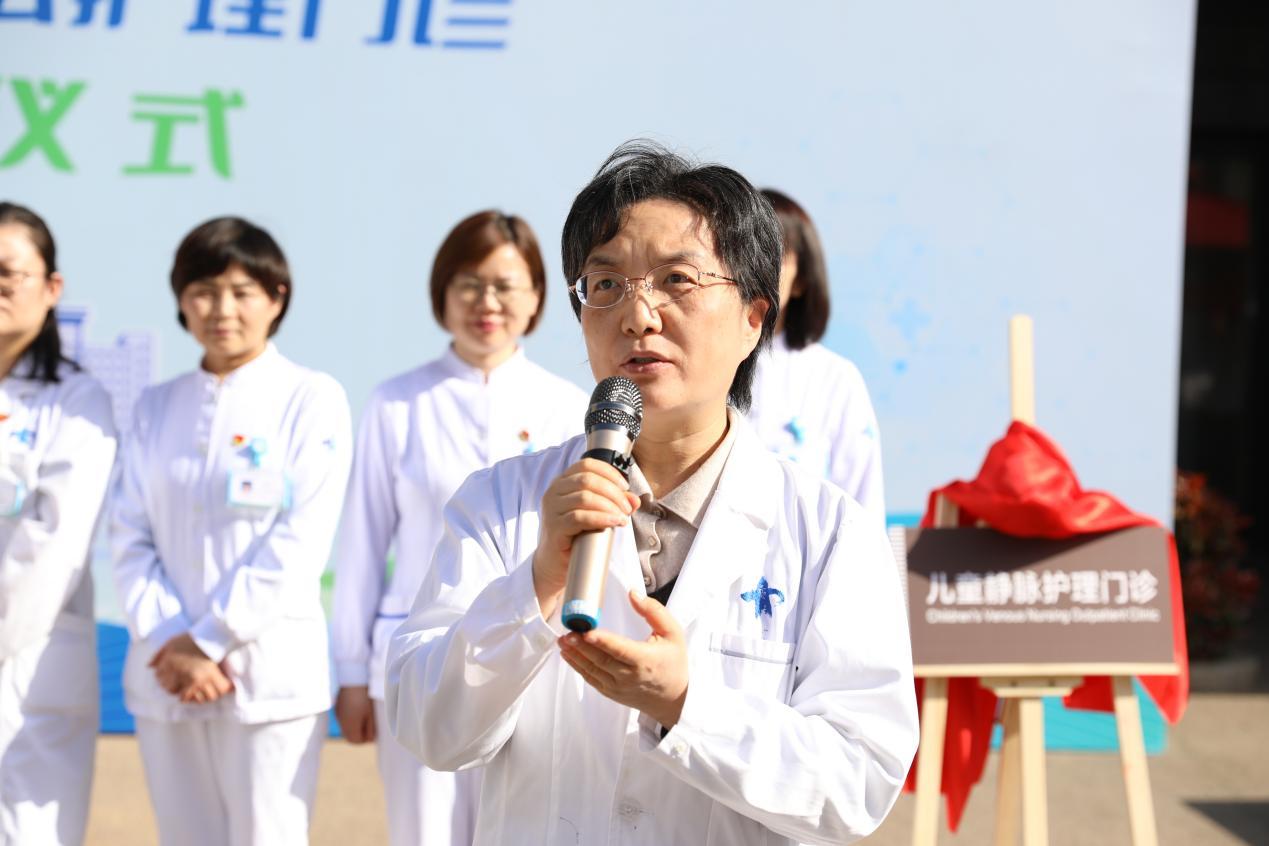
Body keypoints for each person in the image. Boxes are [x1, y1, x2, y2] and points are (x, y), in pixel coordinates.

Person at [386, 142, 918, 845]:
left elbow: (858, 781)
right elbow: (430, 730)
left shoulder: (829, 533)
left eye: (677, 280)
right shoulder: (501, 504)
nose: (638, 315)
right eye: (606, 283)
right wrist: (533, 585)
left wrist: (686, 705)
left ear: (753, 317)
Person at [333, 210, 586, 845]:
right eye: (469, 284)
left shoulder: (566, 406)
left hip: (537, 658)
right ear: (442, 293)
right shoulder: (397, 403)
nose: (487, 302)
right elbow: (363, 544)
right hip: (421, 659)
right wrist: (352, 673)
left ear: (537, 296)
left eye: (506, 285)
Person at [111, 216, 352, 846]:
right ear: (181, 300)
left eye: (242, 292)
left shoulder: (310, 397)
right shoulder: (155, 405)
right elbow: (129, 534)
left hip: (268, 679)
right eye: (203, 292)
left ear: (276, 298)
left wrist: (209, 640)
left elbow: (301, 541)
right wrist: (170, 639)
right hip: (166, 675)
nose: (222, 309)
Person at [0, 201, 118, 846]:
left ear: (51, 288)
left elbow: (53, 545)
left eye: (7, 274)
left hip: (30, 662)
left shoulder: (77, 400)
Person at [748, 189, 885, 532]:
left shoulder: (834, 378)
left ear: (801, 280)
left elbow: (862, 506)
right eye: (741, 251)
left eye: (772, 253)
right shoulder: (695, 366)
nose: (754, 266)